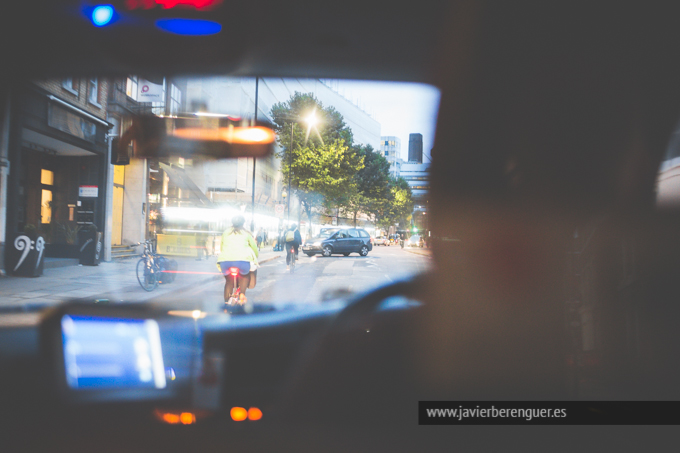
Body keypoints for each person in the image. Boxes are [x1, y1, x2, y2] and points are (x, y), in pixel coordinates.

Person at [216, 215, 259, 305]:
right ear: (243, 223)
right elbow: (254, 248)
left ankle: (227, 302)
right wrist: (256, 256)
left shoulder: (226, 232)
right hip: (242, 262)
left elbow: (221, 247)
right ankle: (242, 295)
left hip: (225, 261)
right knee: (244, 276)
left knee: (228, 281)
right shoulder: (246, 233)